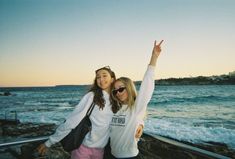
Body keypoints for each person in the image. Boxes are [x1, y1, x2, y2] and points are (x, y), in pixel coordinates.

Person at [38, 66, 117, 159]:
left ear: (112, 79)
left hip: (101, 150)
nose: (101, 79)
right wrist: (49, 142)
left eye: (104, 76)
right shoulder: (92, 96)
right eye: (98, 77)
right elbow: (72, 121)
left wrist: (138, 125)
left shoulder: (116, 100)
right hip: (83, 148)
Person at [110, 40, 164, 159]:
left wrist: (154, 57)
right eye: (114, 91)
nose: (117, 93)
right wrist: (141, 124)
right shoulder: (114, 108)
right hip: (111, 154)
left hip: (130, 157)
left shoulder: (136, 108)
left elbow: (147, 85)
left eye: (120, 89)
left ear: (129, 88)